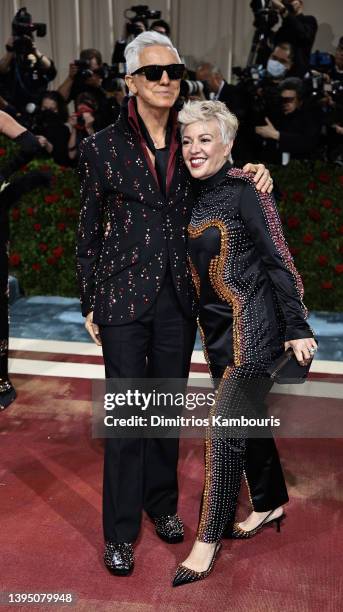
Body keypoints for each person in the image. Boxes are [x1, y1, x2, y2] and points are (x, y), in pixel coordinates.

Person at [76, 31, 272, 577]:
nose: (168, 81)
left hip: (179, 298)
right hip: (120, 297)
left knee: (164, 410)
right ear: (132, 81)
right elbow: (88, 232)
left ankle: (160, 506)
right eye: (156, 73)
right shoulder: (101, 148)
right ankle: (118, 533)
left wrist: (255, 171)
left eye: (175, 71)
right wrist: (89, 301)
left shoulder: (190, 139)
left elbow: (221, 168)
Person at [173, 100, 317, 586]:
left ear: (228, 145)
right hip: (215, 336)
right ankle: (271, 500)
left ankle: (206, 541)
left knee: (222, 431)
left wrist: (297, 326)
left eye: (205, 139)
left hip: (253, 333)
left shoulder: (246, 191)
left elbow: (279, 258)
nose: (194, 148)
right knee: (248, 422)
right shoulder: (187, 194)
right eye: (188, 139)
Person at [254, 77, 320, 163]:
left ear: (300, 100)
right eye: (283, 100)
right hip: (273, 163)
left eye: (290, 100)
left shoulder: (309, 116)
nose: (285, 103)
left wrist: (277, 135)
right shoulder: (275, 114)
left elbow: (308, 142)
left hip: (300, 165)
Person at [272, 0, 317, 77]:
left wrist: (283, 10)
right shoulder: (284, 27)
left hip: (298, 74)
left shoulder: (309, 20)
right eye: (285, 2)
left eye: (291, 1)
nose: (287, 4)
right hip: (279, 73)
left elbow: (304, 35)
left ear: (300, 3)